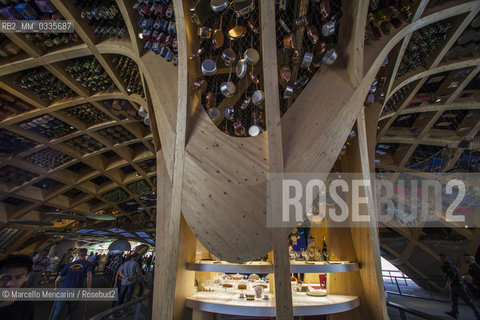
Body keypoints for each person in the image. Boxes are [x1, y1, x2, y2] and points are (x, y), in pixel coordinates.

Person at [51, 248, 92, 320]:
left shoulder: (69, 265)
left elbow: (57, 280)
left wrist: (56, 288)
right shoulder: (88, 264)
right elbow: (89, 276)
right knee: (71, 311)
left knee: (57, 311)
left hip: (64, 290)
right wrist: (88, 289)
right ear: (86, 255)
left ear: (78, 255)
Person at [439, 254, 480, 319]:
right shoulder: (451, 264)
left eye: (440, 258)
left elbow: (451, 276)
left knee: (468, 300)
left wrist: (447, 285)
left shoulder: (446, 266)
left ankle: (478, 314)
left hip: (457, 285)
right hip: (457, 285)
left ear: (444, 258)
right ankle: (454, 312)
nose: (440, 259)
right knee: (454, 300)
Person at [0, 255, 34, 320]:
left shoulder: (26, 305)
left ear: (26, 277)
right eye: (5, 278)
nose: (11, 284)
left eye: (18, 277)